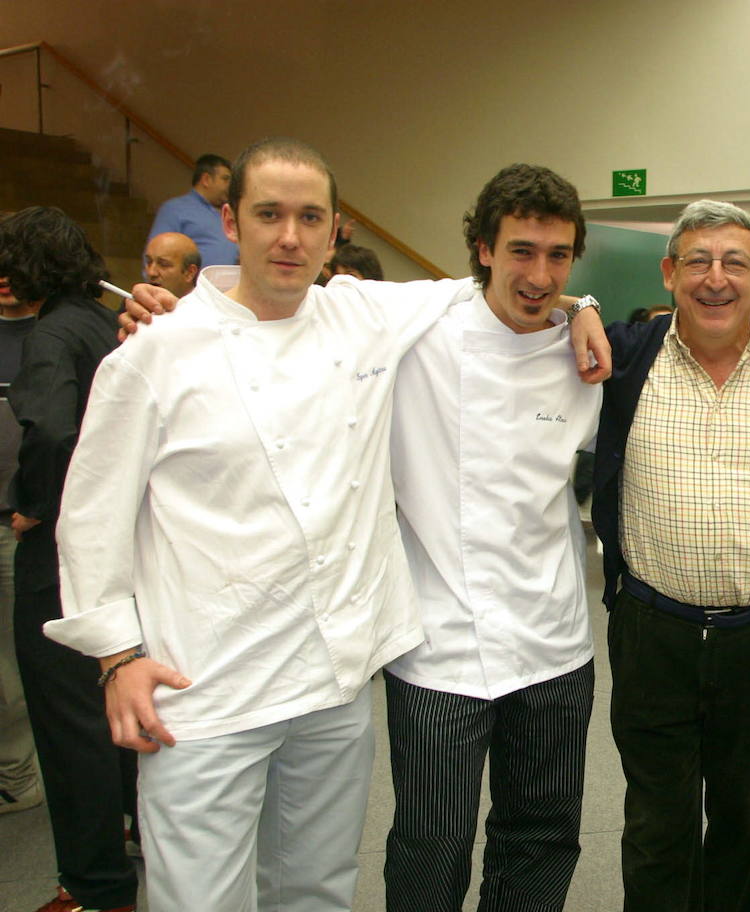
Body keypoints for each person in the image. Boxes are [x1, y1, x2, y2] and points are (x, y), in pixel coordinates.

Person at [46, 137, 475, 911]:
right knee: (199, 901)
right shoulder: (155, 352)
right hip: (206, 686)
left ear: (335, 227)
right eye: (268, 214)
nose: (290, 236)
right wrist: (116, 656)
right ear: (230, 222)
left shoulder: (361, 313)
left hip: (331, 679)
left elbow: (490, 290)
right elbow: (89, 515)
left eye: (310, 217)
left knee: (315, 889)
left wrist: (579, 308)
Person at [591, 200, 750, 912]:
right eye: (697, 261)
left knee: (746, 824)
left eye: (735, 264)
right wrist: (583, 301)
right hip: (652, 631)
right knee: (655, 827)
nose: (715, 279)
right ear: (669, 274)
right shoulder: (625, 358)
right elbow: (517, 318)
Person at [384, 163, 601, 911]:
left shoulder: (582, 354)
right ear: (482, 248)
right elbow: (288, 304)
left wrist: (587, 306)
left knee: (541, 835)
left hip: (553, 644)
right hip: (440, 649)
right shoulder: (420, 332)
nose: (539, 275)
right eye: (521, 251)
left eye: (558, 256)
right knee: (431, 842)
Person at [0, 207, 136, 912]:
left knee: (66, 724)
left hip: (58, 553)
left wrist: (34, 502)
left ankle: (92, 886)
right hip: (116, 544)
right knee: (110, 712)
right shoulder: (98, 322)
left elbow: (51, 431)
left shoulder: (51, 333)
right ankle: (129, 849)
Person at [0, 245, 44, 820]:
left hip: (19, 524)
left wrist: (37, 498)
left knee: (13, 668)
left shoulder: (57, 335)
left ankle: (17, 775)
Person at [146, 153, 238, 266]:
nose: (230, 185)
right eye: (225, 179)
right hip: (193, 283)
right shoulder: (175, 209)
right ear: (206, 179)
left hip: (227, 282)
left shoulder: (228, 214)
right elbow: (155, 254)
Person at [142, 231, 201, 297]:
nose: (151, 273)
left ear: (189, 273)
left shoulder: (205, 306)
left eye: (163, 264)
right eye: (149, 262)